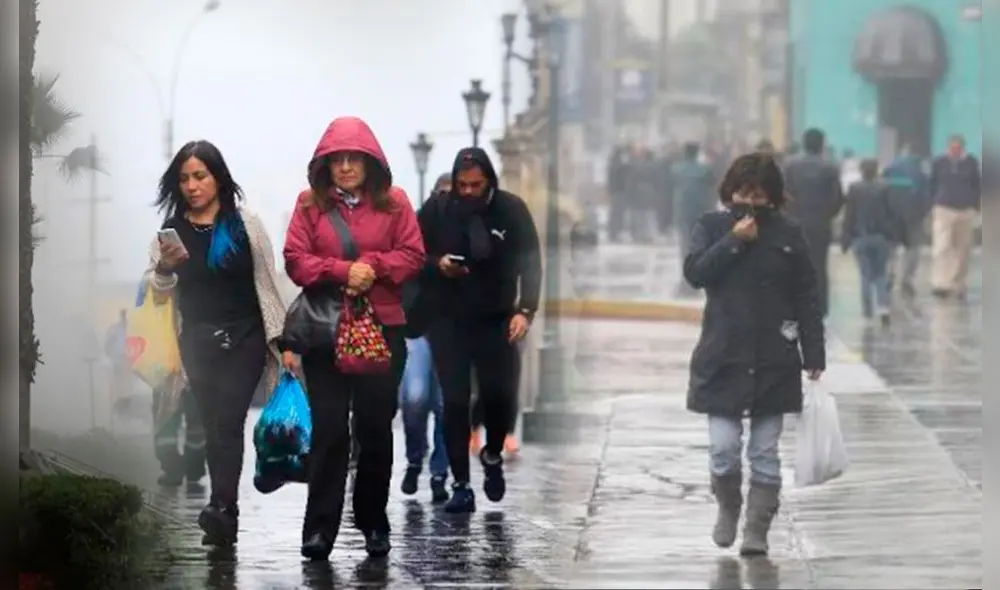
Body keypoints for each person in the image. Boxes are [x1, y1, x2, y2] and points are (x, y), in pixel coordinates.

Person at [282, 116, 425, 560]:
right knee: (328, 429)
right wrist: (343, 272)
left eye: (353, 159)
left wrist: (374, 270)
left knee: (375, 429)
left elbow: (413, 255)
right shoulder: (309, 206)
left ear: (369, 162)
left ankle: (373, 522)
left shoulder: (396, 204)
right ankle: (319, 529)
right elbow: (296, 260)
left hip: (382, 331)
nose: (345, 167)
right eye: (336, 159)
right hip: (327, 332)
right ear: (324, 165)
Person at [683, 152, 825, 557]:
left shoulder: (788, 234)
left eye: (760, 197)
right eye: (744, 194)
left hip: (774, 357)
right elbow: (695, 273)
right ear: (729, 193)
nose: (752, 203)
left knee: (764, 452)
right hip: (723, 355)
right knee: (723, 449)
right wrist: (734, 242)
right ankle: (728, 506)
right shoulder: (711, 227)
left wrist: (813, 352)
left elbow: (806, 296)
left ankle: (757, 529)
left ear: (774, 198)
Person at [146, 140, 286, 545]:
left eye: (200, 176)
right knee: (212, 425)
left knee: (228, 420)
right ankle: (224, 507)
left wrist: (282, 339)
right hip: (197, 341)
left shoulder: (247, 225)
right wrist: (164, 270)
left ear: (219, 178)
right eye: (184, 178)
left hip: (246, 337)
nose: (192, 185)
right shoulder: (169, 234)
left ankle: (223, 506)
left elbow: (268, 282)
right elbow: (157, 294)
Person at [417, 147, 541, 514]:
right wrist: (438, 264)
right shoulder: (438, 211)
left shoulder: (511, 209)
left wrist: (525, 310)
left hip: (497, 317)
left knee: (499, 396)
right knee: (454, 401)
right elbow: (410, 255)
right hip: (448, 319)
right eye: (462, 185)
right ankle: (461, 484)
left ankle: (492, 453)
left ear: (489, 181)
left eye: (476, 184)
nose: (468, 191)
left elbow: (531, 263)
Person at [400, 172, 452, 504]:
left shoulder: (471, 233)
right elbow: (406, 266)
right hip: (418, 325)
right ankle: (415, 456)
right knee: (415, 397)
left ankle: (439, 472)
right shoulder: (416, 228)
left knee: (447, 405)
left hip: (454, 331)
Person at [783, 128, 844, 317]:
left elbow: (783, 195)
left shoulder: (790, 165)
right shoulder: (830, 167)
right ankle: (819, 308)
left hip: (795, 224)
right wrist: (827, 215)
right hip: (820, 225)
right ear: (821, 144)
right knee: (819, 266)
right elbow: (837, 199)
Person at [841, 159, 902, 325]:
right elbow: (893, 214)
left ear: (862, 171)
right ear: (877, 171)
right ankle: (883, 307)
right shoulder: (886, 188)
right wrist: (894, 237)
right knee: (881, 274)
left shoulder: (854, 189)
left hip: (860, 237)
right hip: (881, 238)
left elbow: (849, 216)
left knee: (865, 275)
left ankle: (867, 312)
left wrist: (845, 239)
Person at [929, 134, 981, 300]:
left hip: (965, 210)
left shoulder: (971, 162)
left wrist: (975, 207)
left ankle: (958, 283)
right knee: (942, 247)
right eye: (952, 148)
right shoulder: (939, 162)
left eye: (958, 149)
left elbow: (977, 185)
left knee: (963, 249)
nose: (955, 152)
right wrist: (933, 203)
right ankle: (941, 283)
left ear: (963, 148)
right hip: (944, 208)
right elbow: (932, 183)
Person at [882, 145, 931, 297]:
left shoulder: (889, 169)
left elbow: (882, 191)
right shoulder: (920, 172)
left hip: (892, 215)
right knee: (913, 248)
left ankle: (889, 275)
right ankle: (907, 279)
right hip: (913, 216)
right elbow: (926, 195)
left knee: (890, 248)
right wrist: (923, 213)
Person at [671, 142, 717, 294]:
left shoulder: (676, 170)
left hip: (683, 213)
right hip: (700, 213)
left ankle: (686, 279)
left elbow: (671, 189)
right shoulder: (705, 169)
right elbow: (712, 188)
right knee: (699, 246)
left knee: (684, 247)